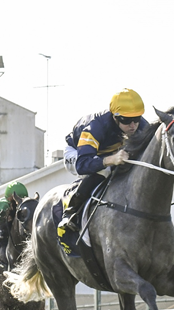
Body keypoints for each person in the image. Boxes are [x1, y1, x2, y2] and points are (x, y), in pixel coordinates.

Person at [58, 89, 150, 232]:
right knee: (105, 169)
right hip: (77, 154)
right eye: (126, 120)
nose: (133, 125)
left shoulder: (139, 125)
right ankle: (71, 210)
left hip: (103, 152)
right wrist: (110, 160)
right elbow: (82, 164)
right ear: (115, 117)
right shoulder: (96, 127)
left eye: (137, 119)